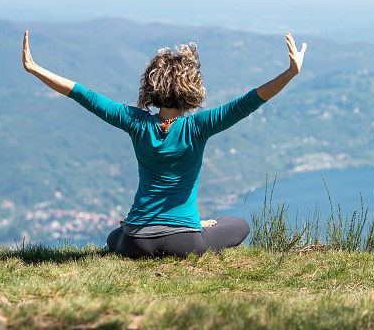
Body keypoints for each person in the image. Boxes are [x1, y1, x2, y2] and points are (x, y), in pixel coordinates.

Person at [21, 29, 307, 258]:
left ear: (150, 87)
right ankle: (192, 224)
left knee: (114, 237)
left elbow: (83, 94)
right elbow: (250, 101)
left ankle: (139, 225)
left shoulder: (134, 121)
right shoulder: (198, 126)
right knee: (238, 225)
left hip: (135, 241)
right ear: (193, 88)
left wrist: (35, 69)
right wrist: (290, 73)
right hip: (184, 241)